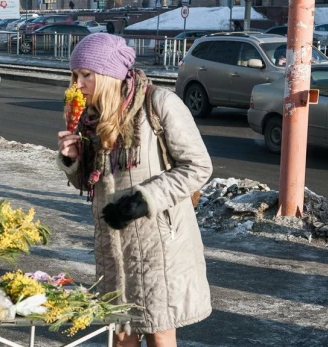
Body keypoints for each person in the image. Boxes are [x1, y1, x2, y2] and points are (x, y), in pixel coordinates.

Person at [56, 33, 213, 347]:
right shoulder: (91, 118)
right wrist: (70, 160)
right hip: (113, 245)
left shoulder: (159, 103)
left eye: (86, 75)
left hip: (159, 244)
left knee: (158, 329)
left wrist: (145, 199)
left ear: (109, 74)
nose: (78, 84)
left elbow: (198, 167)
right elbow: (89, 182)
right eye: (75, 75)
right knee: (121, 333)